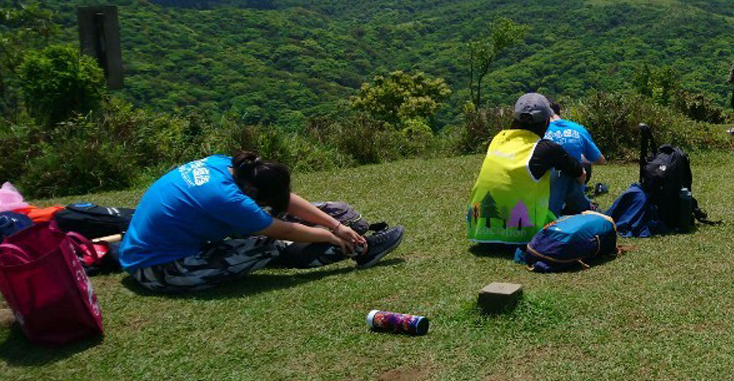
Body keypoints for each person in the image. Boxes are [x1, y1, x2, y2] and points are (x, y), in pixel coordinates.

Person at [118, 151, 404, 293]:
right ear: (253, 193)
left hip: (153, 246)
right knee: (269, 246)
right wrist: (330, 236)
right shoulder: (228, 199)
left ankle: (352, 233)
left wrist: (336, 224)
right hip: (157, 268)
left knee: (337, 211)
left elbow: (286, 201)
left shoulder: (227, 166)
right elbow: (281, 228)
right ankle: (361, 251)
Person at [467, 93, 586, 244]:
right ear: (546, 122)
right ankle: (590, 211)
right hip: (527, 235)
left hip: (480, 233)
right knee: (565, 173)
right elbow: (580, 176)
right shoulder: (547, 148)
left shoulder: (498, 139)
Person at [546, 101, 607, 214]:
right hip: (576, 181)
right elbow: (601, 160)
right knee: (576, 165)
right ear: (559, 112)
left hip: (544, 193)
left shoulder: (538, 132)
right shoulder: (578, 129)